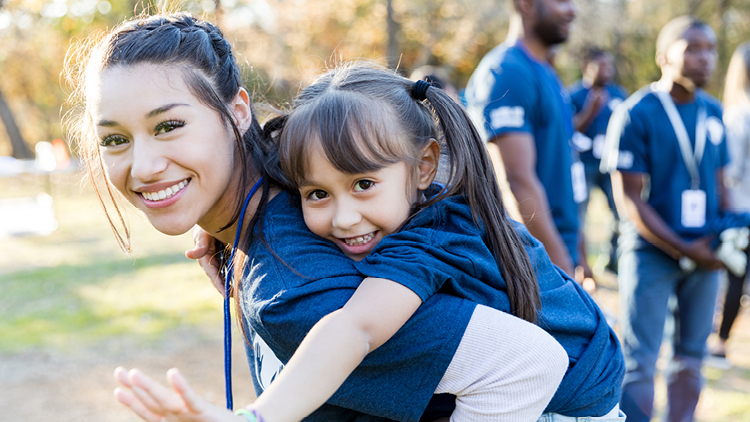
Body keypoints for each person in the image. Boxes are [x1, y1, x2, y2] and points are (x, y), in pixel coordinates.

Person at [65, 12, 568, 422]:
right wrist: (213, 220)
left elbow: (523, 364)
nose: (145, 166)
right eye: (115, 139)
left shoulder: (294, 288)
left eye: (170, 125)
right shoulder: (293, 188)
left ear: (239, 111)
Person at [601, 16, 729, 422]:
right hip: (651, 251)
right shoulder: (637, 112)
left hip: (705, 252)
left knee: (691, 357)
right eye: (692, 48)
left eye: (710, 49)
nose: (705, 58)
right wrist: (683, 246)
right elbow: (630, 202)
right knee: (641, 359)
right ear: (663, 57)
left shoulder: (713, 111)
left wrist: (726, 237)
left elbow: (721, 185)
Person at [465, 0, 584, 279]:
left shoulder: (545, 70)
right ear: (527, 4)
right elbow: (516, 181)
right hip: (534, 261)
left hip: (558, 248)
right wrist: (560, 267)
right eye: (562, 1)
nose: (573, 10)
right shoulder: (507, 72)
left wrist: (577, 247)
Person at [568, 48, 628, 276]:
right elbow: (570, 130)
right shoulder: (573, 95)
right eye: (601, 66)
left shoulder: (619, 94)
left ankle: (611, 258)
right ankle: (579, 262)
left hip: (612, 165)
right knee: (580, 213)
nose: (607, 71)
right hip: (584, 165)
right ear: (587, 68)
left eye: (609, 66)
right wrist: (590, 111)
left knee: (621, 211)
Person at [708, 41, 750, 363]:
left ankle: (720, 344)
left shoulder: (738, 116)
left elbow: (730, 170)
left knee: (734, 276)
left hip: (740, 210)